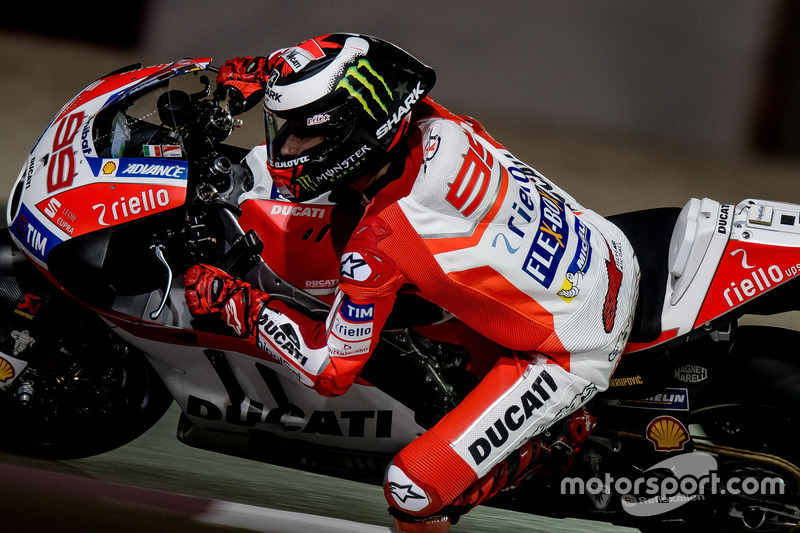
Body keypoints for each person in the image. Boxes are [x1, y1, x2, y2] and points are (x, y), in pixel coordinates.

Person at [184, 33, 639, 532]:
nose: (286, 147)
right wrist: (267, 75)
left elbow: (329, 369)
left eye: (301, 132)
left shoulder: (382, 239)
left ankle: (548, 446)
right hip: (607, 248)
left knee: (411, 490)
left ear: (353, 134)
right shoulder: (434, 122)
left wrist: (237, 304)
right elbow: (369, 76)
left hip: (574, 347)